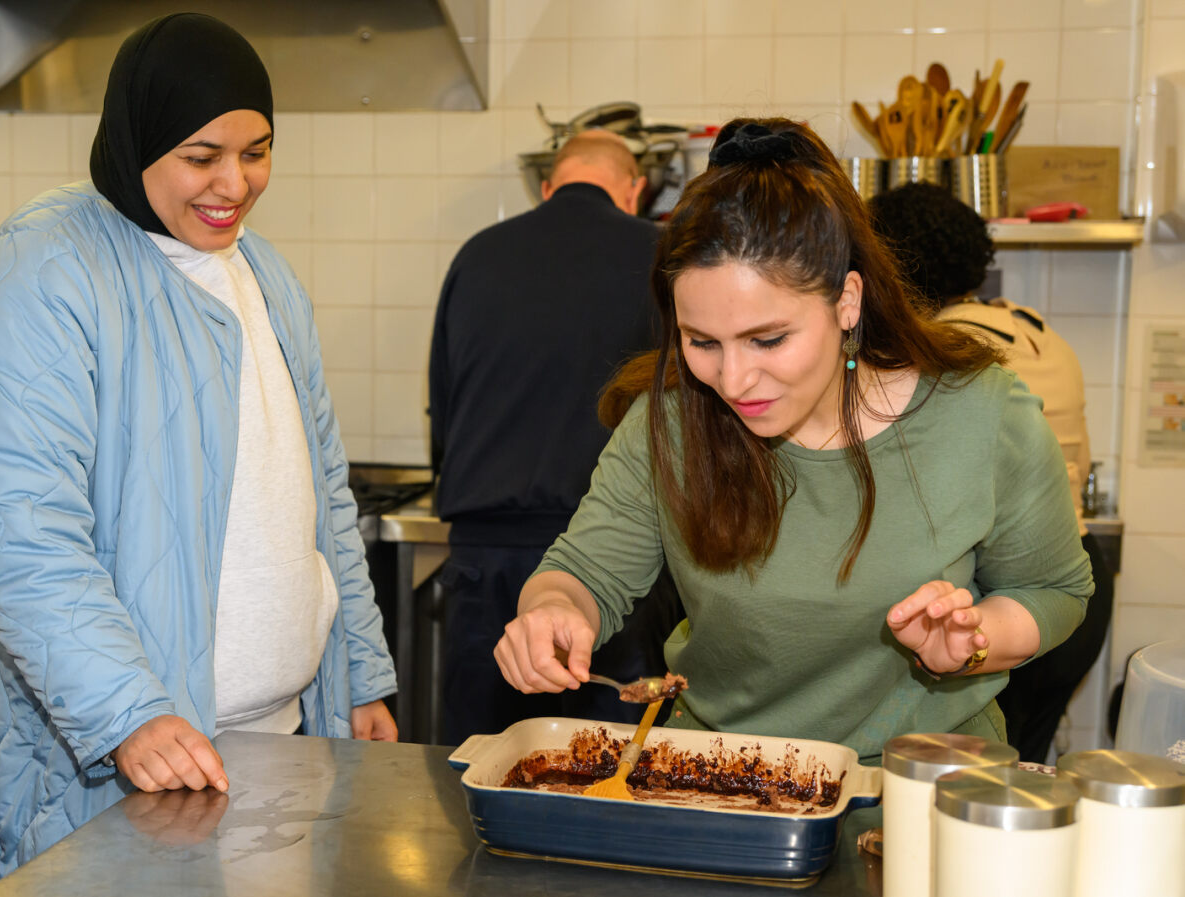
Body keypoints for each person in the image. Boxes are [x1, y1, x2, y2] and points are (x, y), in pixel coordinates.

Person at [0, 14, 397, 893]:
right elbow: (22, 532)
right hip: (124, 758)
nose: (236, 183)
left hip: (277, 742)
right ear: (138, 138)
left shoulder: (263, 272)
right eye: (201, 156)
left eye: (257, 151)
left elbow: (323, 498)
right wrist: (130, 714)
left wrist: (362, 675)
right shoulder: (45, 268)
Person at [491, 118, 1094, 764]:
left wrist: (976, 638)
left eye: (767, 339)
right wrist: (550, 610)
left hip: (915, 794)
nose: (733, 378)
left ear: (847, 302)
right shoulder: (670, 420)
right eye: (701, 343)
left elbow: (1053, 589)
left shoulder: (982, 415)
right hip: (719, 785)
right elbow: (584, 572)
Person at [428, 129, 682, 744]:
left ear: (548, 187)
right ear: (634, 190)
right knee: (613, 775)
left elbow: (443, 397)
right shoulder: (660, 256)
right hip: (614, 566)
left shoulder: (478, 253)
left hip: (484, 560)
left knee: (479, 768)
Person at [869, 181, 1114, 762]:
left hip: (1005, 600)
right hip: (1079, 578)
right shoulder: (1035, 327)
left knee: (979, 783)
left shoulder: (947, 356)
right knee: (1020, 777)